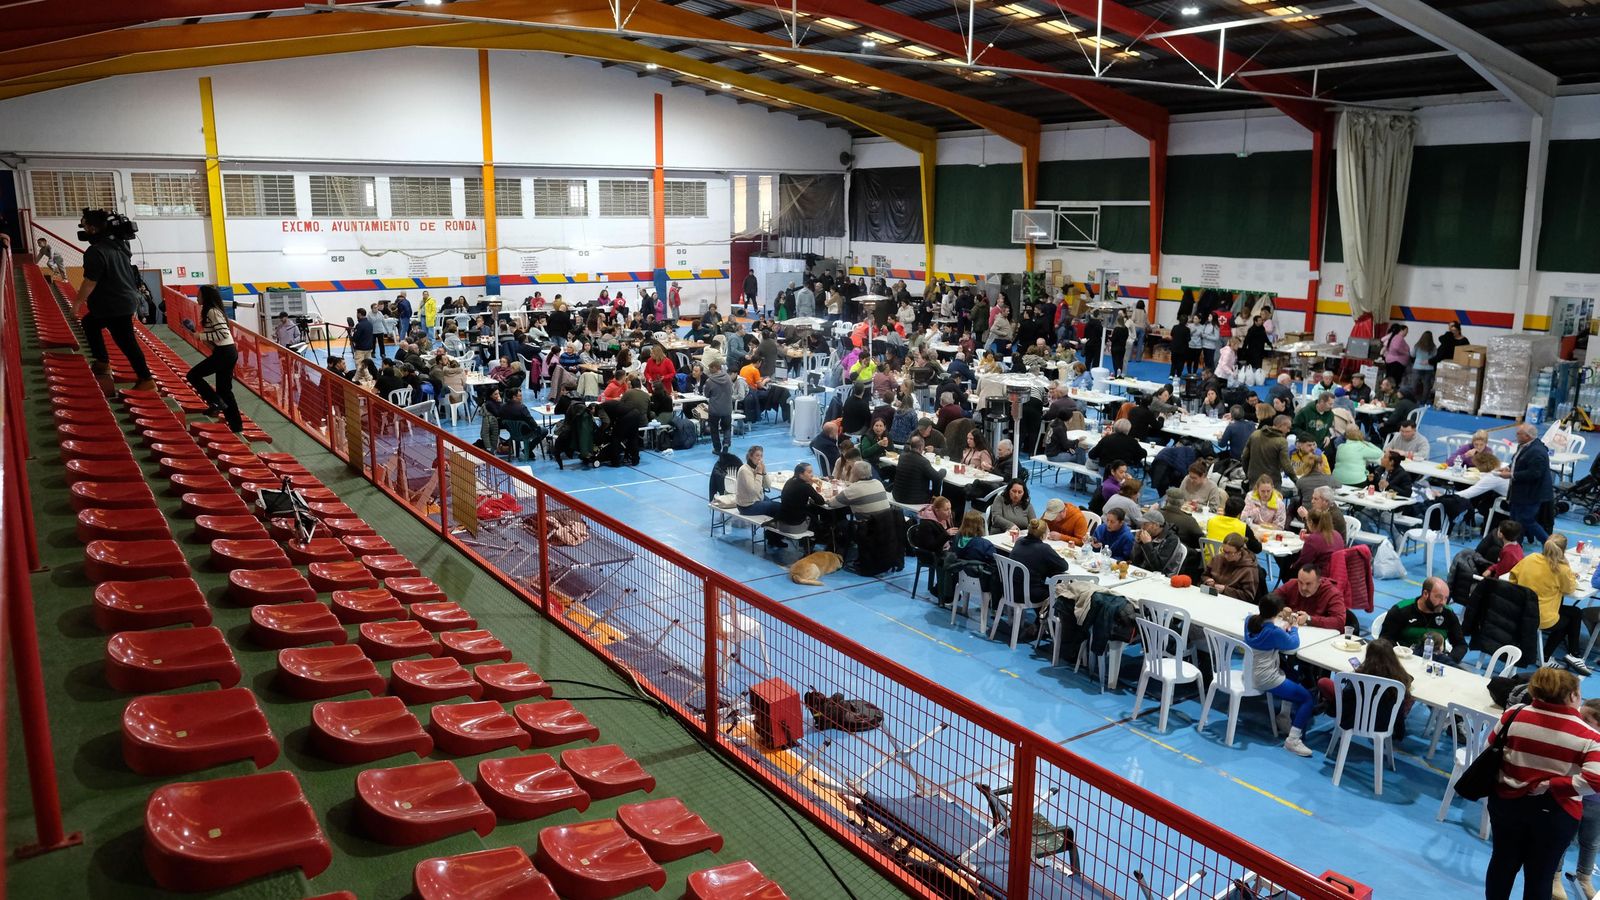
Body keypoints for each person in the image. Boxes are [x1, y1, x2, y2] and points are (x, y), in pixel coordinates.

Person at [1483, 667, 1600, 900]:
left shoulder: (1514, 714)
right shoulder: (1589, 736)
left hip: (1507, 802)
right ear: (1573, 696)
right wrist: (1553, 785)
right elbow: (1595, 780)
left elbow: (1489, 751)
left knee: (1502, 864)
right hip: (1557, 813)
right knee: (1540, 876)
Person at [74, 208, 156, 392]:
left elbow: (89, 282)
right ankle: (102, 362)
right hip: (120, 302)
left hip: (115, 305)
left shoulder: (95, 252)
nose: (83, 229)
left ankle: (146, 380)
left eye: (85, 225)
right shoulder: (120, 245)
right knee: (91, 323)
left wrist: (77, 303)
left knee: (127, 343)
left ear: (93, 229)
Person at [1243, 594, 1317, 757]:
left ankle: (1284, 716)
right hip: (1266, 678)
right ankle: (1293, 740)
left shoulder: (1249, 621)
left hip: (1249, 672)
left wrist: (1281, 629)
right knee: (1307, 699)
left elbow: (1270, 633)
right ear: (1277, 613)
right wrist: (1295, 627)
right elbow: (1293, 643)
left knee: (1293, 675)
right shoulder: (1274, 632)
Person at [1510, 535, 1590, 674]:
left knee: (1569, 613)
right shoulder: (1561, 568)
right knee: (1574, 614)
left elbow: (1513, 577)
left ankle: (1571, 654)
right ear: (1563, 550)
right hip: (1540, 617)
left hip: (1520, 610)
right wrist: (1568, 569)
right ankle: (1554, 656)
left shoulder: (1530, 558)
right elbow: (1569, 589)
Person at [1316, 638, 1415, 740]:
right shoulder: (1399, 679)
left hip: (1354, 719)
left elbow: (1346, 696)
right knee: (1407, 698)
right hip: (1384, 724)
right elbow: (1409, 680)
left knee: (1325, 683)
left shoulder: (1359, 677)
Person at [185, 284, 244, 432]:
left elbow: (223, 334)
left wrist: (201, 335)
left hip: (225, 352)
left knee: (193, 375)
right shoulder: (211, 311)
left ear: (206, 296)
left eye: (199, 294)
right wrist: (203, 338)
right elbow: (219, 336)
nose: (197, 297)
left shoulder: (212, 311)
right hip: (225, 352)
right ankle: (236, 425)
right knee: (225, 390)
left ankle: (215, 402)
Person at [1380, 576, 1466, 663]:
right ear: (1425, 594)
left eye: (1446, 598)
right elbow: (1385, 640)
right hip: (1403, 660)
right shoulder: (1401, 610)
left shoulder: (1448, 614)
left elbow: (1461, 645)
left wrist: (1448, 661)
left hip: (1436, 663)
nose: (1443, 602)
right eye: (1439, 597)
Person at [1504, 422, 1555, 545]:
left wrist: (1512, 475)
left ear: (1527, 436)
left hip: (1532, 493)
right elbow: (1518, 461)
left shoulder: (1537, 451)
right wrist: (1509, 468)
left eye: (1518, 433)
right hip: (1520, 492)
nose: (1516, 435)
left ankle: (1549, 543)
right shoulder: (1523, 445)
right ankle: (1516, 546)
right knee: (1515, 521)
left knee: (1527, 520)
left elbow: (1534, 473)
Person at [1273, 564, 1346, 630]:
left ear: (1319, 582)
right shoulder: (1292, 584)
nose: (1303, 588)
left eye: (1308, 584)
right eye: (1300, 582)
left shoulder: (1332, 594)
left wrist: (1309, 619)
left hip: (1320, 636)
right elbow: (1270, 599)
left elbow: (1339, 621)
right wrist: (1281, 608)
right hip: (1294, 631)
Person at [1205, 532, 1261, 601]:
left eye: (1229, 553)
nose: (1225, 555)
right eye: (1223, 551)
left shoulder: (1249, 569)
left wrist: (1225, 590)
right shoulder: (1217, 558)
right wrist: (1207, 580)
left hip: (1232, 603)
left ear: (1239, 552)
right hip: (1212, 597)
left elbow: (1248, 596)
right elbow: (1204, 575)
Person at [892, 436, 946, 506]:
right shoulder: (923, 461)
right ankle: (935, 501)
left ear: (910, 446)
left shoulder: (902, 457)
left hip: (897, 496)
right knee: (937, 480)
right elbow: (937, 477)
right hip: (915, 499)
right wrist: (943, 470)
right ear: (921, 448)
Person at [1243, 414, 1292, 488]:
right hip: (1272, 481)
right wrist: (1296, 480)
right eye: (1288, 427)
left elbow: (1244, 456)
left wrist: (1247, 473)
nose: (1289, 430)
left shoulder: (1255, 434)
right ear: (1281, 425)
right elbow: (1286, 466)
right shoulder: (1282, 441)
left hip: (1254, 478)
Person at [1296, 506, 1346, 577]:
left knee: (1288, 564)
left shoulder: (1313, 539)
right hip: (1338, 573)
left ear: (1311, 522)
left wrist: (1292, 566)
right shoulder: (1337, 534)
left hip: (1320, 576)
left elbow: (1303, 563)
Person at [1131, 511, 1186, 576]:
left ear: (1156, 525)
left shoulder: (1172, 540)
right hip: (1142, 573)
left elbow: (1158, 568)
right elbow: (1135, 561)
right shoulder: (1149, 534)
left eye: (1145, 524)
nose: (1141, 527)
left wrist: (1147, 544)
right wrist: (1138, 543)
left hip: (1162, 579)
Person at [735, 445, 780, 519]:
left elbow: (767, 486)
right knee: (777, 506)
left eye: (761, 456)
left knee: (776, 506)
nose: (760, 458)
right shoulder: (744, 470)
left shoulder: (756, 467)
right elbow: (754, 491)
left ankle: (773, 527)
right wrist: (759, 473)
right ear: (750, 456)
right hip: (746, 506)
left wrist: (764, 472)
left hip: (757, 499)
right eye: (757, 455)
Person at [703, 360, 734, 454]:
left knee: (714, 429)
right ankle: (726, 443)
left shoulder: (709, 381)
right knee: (727, 428)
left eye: (710, 368)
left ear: (715, 368)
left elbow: (707, 395)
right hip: (727, 408)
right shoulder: (728, 378)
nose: (709, 370)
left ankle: (717, 448)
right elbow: (731, 392)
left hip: (714, 409)